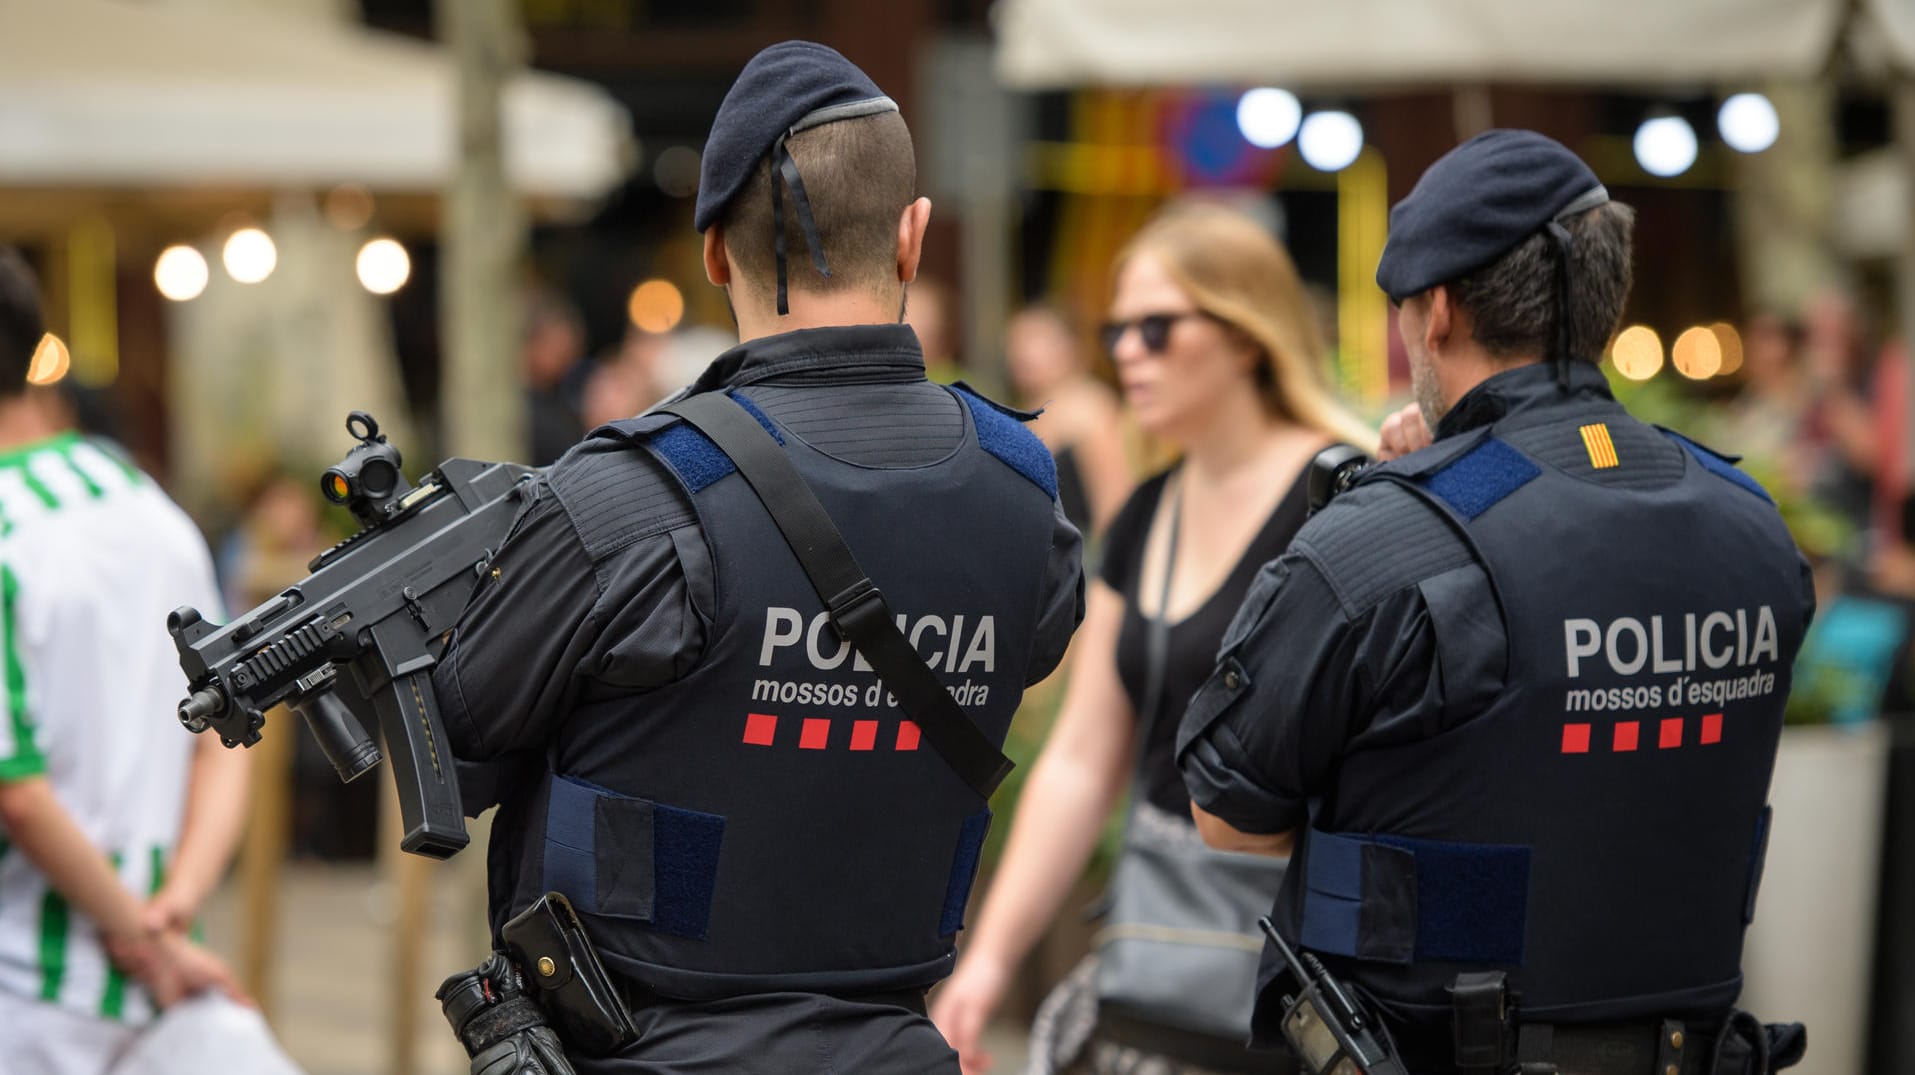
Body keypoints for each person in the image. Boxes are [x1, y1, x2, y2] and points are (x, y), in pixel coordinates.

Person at [431, 41, 1083, 1075]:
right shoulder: (1023, 493)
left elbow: (453, 732)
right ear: (912, 238)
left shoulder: (627, 496)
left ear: (711, 252)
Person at [1178, 130, 1815, 1074]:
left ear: (1435, 312)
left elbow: (1228, 812)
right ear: (1605, 299)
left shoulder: (1381, 547)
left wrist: (1401, 503)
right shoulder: (1751, 524)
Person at [933, 204, 1376, 1075]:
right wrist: (984, 960)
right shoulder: (1147, 512)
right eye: (1116, 329)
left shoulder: (1344, 501)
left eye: (1157, 327)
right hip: (1165, 962)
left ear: (1247, 336)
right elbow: (1083, 755)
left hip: (1306, 979)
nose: (1127, 350)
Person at [0, 250, 255, 1072]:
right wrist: (171, 913)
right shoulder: (145, 498)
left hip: (26, 983)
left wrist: (136, 935)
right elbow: (228, 725)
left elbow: (20, 794)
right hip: (162, 974)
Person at [1004, 304, 1133, 540]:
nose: (1024, 352)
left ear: (1070, 347)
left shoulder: (1092, 407)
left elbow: (1115, 506)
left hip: (1080, 561)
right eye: (1017, 341)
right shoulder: (1022, 413)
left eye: (1038, 340)